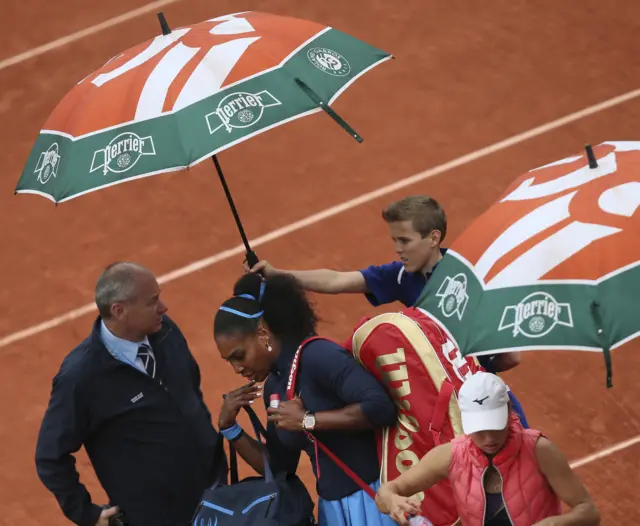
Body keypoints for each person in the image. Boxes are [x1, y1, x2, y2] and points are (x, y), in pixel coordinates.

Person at [247, 194, 529, 427]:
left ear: (433, 238)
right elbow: (337, 280)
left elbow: (510, 356)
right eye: (394, 240)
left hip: (485, 405)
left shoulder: (468, 281)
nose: (397, 249)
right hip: (452, 403)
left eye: (404, 241)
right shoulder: (402, 276)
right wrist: (278, 275)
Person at [35, 262, 226, 526]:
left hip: (213, 490)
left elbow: (190, 388)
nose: (163, 308)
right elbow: (50, 455)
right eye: (152, 302)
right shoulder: (81, 377)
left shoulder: (165, 330)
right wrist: (86, 514)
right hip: (158, 515)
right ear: (119, 311)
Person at [213, 272, 398, 525]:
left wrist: (308, 420)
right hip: (333, 511)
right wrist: (230, 429)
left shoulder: (318, 355)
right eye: (229, 361)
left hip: (376, 499)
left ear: (262, 333)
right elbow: (280, 467)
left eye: (239, 355)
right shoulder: (274, 388)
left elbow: (380, 407)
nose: (237, 368)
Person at [375, 372, 600, 526]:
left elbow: (588, 511)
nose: (489, 438)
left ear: (509, 408)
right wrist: (392, 500)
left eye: (495, 425)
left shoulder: (540, 450)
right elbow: (386, 493)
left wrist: (556, 523)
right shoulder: (450, 455)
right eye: (480, 429)